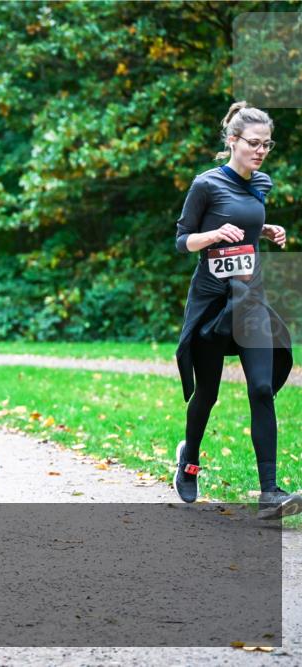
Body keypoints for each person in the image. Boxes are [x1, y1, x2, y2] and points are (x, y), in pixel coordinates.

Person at [173, 101, 298, 519]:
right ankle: (188, 460)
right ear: (233, 141)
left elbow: (243, 224)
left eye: (267, 144)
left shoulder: (260, 183)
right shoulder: (205, 184)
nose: (261, 151)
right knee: (206, 393)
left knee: (261, 389)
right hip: (212, 303)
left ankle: (269, 494)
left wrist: (264, 229)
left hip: (251, 302)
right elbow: (183, 241)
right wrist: (210, 235)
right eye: (253, 143)